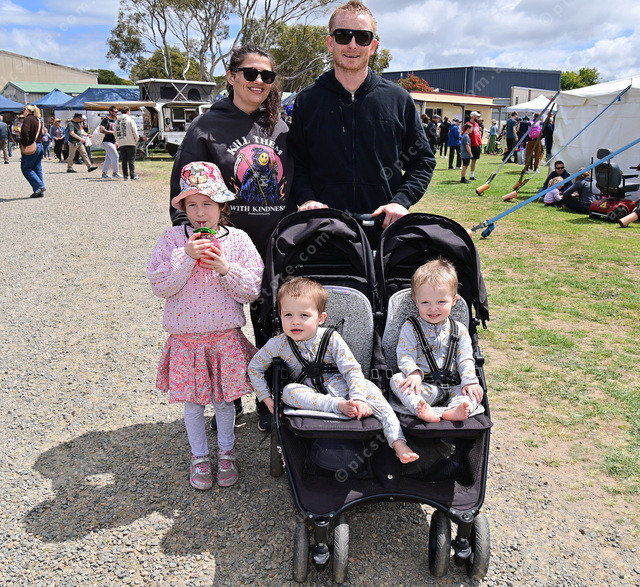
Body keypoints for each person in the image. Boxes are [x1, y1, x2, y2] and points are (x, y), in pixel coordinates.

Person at [169, 44, 294, 432]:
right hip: (225, 250)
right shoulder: (206, 128)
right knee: (224, 330)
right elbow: (185, 192)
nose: (259, 81)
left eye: (267, 76)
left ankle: (270, 401)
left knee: (273, 326)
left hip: (274, 247)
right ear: (231, 77)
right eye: (250, 73)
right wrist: (197, 243)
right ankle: (229, 399)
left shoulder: (280, 127)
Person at [147, 161, 264, 490]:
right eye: (192, 205)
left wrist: (225, 268)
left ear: (222, 205)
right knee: (194, 403)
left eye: (208, 204)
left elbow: (251, 290)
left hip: (225, 337)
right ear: (183, 207)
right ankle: (199, 456)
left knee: (224, 402)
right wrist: (186, 256)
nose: (200, 213)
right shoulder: (173, 239)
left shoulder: (238, 240)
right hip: (186, 340)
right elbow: (161, 286)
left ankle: (227, 453)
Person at [287, 0, 435, 241]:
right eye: (343, 36)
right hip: (324, 232)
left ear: (373, 46)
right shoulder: (308, 100)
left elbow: (422, 160)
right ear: (330, 42)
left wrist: (401, 201)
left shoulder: (398, 99)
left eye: (362, 37)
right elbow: (296, 161)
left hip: (384, 232)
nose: (352, 44)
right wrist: (307, 198)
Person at [248, 277, 420, 464]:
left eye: (304, 315)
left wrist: (358, 398)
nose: (295, 322)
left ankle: (398, 442)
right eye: (288, 315)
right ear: (279, 316)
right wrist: (266, 398)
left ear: (321, 318)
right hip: (310, 394)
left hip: (343, 387)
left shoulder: (331, 338)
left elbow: (352, 370)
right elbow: (254, 367)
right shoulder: (278, 343)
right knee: (288, 392)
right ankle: (338, 406)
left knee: (374, 394)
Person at [390, 259, 483, 423]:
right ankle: (420, 406)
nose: (433, 308)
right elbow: (405, 354)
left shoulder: (460, 329)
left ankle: (458, 409)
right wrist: (413, 373)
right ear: (416, 301)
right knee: (397, 380)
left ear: (454, 301)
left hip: (454, 387)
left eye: (441, 302)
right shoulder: (410, 327)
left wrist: (469, 381)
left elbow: (465, 359)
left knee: (475, 390)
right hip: (423, 387)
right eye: (425, 302)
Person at [19, 104, 46, 198]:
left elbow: (24, 132)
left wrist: (25, 143)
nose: (22, 112)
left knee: (26, 168)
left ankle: (39, 186)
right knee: (37, 168)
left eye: (24, 110)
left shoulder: (28, 119)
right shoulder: (37, 119)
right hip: (39, 145)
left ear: (28, 110)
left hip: (31, 146)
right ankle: (39, 191)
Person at [115, 106, 140, 180]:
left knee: (124, 160)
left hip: (121, 142)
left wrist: (117, 140)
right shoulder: (130, 120)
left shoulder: (117, 121)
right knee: (131, 160)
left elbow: (115, 132)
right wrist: (136, 140)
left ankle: (125, 175)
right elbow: (135, 132)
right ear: (128, 112)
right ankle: (133, 175)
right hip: (130, 142)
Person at [100, 106, 122, 179]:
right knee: (116, 156)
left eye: (117, 112)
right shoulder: (106, 120)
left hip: (113, 141)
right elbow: (102, 130)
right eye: (115, 112)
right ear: (110, 112)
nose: (116, 113)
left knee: (108, 158)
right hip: (106, 141)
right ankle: (115, 172)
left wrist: (116, 141)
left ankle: (104, 173)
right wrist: (111, 132)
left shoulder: (116, 120)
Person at [467, 111, 482, 180]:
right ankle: (464, 176)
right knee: (467, 161)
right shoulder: (468, 124)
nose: (478, 117)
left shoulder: (477, 124)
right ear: (473, 116)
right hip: (471, 145)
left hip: (477, 145)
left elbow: (478, 134)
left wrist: (479, 143)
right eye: (477, 116)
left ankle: (472, 175)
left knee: (474, 160)